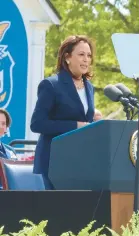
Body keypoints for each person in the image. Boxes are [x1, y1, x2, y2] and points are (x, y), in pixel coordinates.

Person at [30, 35, 95, 190]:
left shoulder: (89, 87)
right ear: (67, 57)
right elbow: (37, 124)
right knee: (50, 211)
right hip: (52, 161)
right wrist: (75, 126)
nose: (86, 59)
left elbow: (87, 122)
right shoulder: (51, 85)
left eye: (89, 55)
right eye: (81, 54)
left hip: (78, 162)